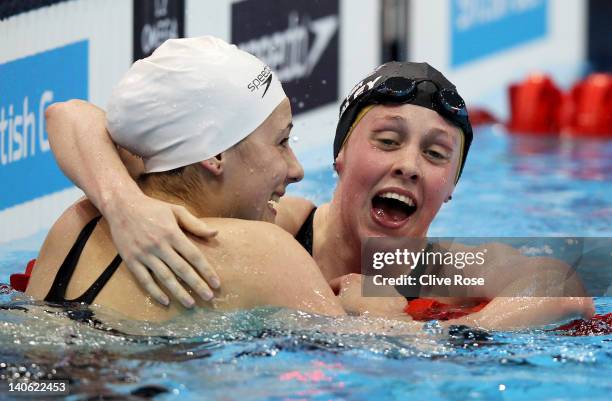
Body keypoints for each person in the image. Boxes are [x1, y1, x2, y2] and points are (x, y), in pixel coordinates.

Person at [41, 58, 594, 329]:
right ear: (340, 157)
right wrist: (125, 203)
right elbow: (72, 117)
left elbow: (564, 289)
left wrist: (463, 333)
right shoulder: (275, 230)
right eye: (387, 141)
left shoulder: (439, 270)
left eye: (436, 155)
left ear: (451, 188)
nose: (408, 167)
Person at [25, 36, 346, 321]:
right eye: (281, 141)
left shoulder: (77, 225)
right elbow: (348, 363)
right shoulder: (269, 254)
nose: (297, 169)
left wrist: (126, 203)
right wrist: (385, 309)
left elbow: (68, 114)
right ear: (214, 155)